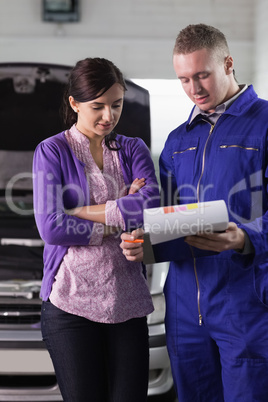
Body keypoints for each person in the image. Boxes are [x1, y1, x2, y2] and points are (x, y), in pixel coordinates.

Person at [120, 24, 268, 402]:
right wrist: (140, 233)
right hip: (185, 306)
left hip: (246, 303)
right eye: (184, 79)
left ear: (228, 64)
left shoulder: (263, 125)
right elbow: (166, 216)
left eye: (202, 75)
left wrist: (245, 236)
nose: (194, 89)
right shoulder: (177, 140)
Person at [32, 57, 160, 402]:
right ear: (74, 103)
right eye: (97, 106)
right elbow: (52, 227)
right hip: (70, 304)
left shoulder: (133, 149)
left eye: (116, 105)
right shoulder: (52, 151)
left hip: (128, 303)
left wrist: (79, 212)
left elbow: (150, 206)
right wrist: (120, 214)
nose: (109, 116)